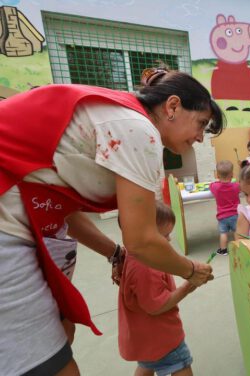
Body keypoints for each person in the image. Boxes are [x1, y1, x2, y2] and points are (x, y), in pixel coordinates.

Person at [0, 67, 222, 375]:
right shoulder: (138, 130)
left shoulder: (118, 117)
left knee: (59, 335)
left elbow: (66, 213)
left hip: (24, 218)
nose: (199, 137)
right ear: (172, 107)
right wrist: (192, 270)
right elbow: (142, 240)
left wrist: (115, 253)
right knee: (47, 362)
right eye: (200, 123)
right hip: (8, 225)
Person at [119, 203, 197, 376]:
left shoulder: (133, 254)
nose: (169, 240)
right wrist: (186, 288)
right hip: (162, 336)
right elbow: (156, 306)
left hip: (144, 336)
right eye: (165, 235)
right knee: (180, 364)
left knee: (148, 362)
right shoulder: (147, 266)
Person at [209, 160, 239, 256]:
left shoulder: (215, 187)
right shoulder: (235, 186)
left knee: (223, 233)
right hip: (235, 214)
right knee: (236, 231)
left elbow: (211, 185)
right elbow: (241, 186)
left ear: (217, 175)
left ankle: (223, 250)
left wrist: (216, 182)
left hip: (222, 216)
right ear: (232, 174)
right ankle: (239, 247)